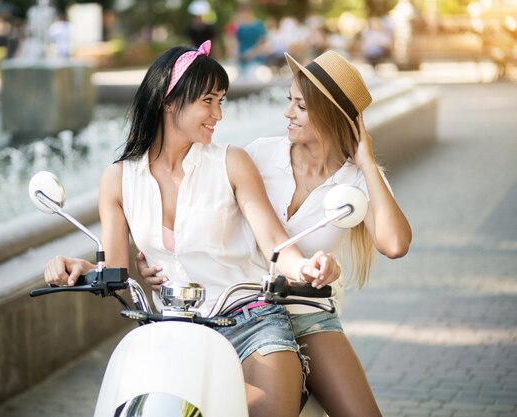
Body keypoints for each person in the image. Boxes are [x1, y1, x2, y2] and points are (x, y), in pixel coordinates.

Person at [43, 41, 342, 417]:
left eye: (222, 101)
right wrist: (80, 268)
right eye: (208, 101)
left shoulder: (232, 162)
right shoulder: (118, 179)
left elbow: (274, 242)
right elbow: (115, 271)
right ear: (169, 101)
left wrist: (304, 268)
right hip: (170, 330)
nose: (218, 114)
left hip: (251, 322)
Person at [138, 50, 412, 417]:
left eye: (300, 105)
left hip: (307, 312)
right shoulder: (260, 155)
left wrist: (366, 160)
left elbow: (394, 245)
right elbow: (202, 220)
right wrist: (161, 260)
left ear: (331, 115)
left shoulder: (358, 179)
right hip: (237, 308)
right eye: (290, 101)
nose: (288, 113)